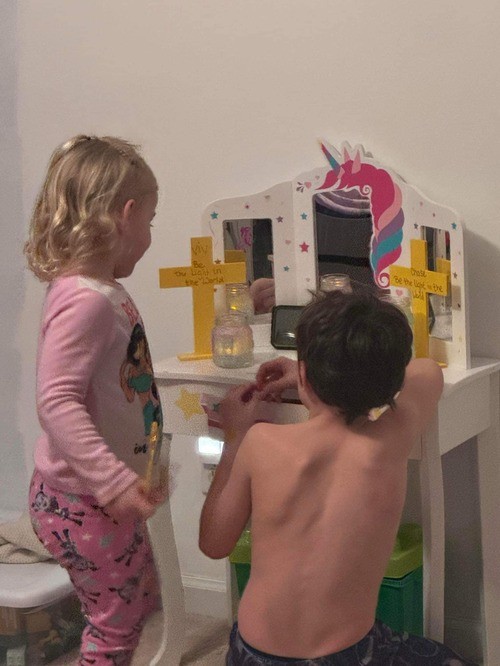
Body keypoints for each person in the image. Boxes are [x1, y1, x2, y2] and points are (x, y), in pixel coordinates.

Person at [199, 290, 476, 665]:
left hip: (255, 655)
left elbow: (214, 543)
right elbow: (427, 371)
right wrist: (330, 373)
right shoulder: (388, 440)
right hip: (348, 656)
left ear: (304, 374)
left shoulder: (260, 443)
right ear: (387, 386)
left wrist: (233, 440)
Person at [25, 135, 166, 665]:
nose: (150, 234)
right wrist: (113, 481)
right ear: (126, 216)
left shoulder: (97, 289)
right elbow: (57, 400)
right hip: (84, 501)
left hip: (94, 497)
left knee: (134, 602)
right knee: (114, 626)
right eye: (151, 220)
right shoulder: (87, 301)